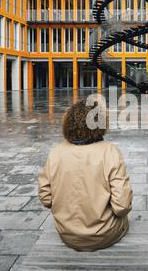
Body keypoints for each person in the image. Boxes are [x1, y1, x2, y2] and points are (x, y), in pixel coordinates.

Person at [38, 99, 133, 251]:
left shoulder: (55, 153)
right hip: (104, 235)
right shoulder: (110, 151)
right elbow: (121, 206)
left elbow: (46, 198)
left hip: (67, 234)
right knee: (124, 220)